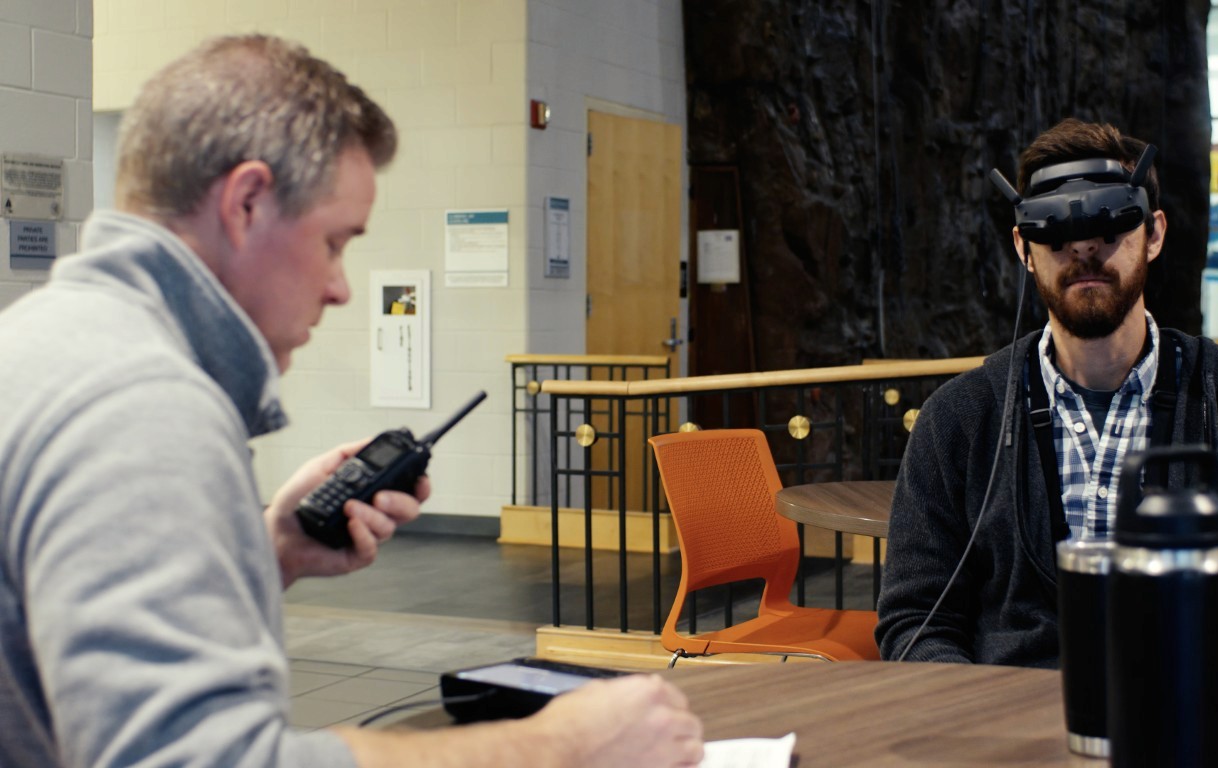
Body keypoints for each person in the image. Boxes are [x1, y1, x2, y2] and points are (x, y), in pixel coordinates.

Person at [0, 35, 703, 768]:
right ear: (246, 203)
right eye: (335, 243)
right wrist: (559, 745)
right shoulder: (144, 406)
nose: (339, 288)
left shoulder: (39, 344)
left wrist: (266, 552)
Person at [875, 118, 1218, 712]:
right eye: (1056, 232)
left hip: (1200, 729)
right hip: (1008, 735)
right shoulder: (958, 421)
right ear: (1023, 246)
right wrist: (986, 728)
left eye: (1111, 225)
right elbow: (916, 619)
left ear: (1154, 233)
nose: (1085, 250)